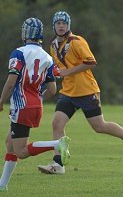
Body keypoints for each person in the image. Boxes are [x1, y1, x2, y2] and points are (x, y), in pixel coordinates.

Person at [37, 11, 123, 175]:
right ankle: (58, 164)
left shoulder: (77, 41)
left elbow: (91, 62)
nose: (61, 26)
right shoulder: (52, 45)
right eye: (58, 23)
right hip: (68, 92)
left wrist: (68, 72)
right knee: (57, 124)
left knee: (99, 126)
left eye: (64, 23)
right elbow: (59, 69)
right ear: (53, 25)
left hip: (87, 91)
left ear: (68, 25)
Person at [0, 18, 71, 191]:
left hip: (22, 106)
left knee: (21, 152)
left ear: (25, 33)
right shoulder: (47, 56)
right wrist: (39, 99)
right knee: (10, 141)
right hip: (35, 106)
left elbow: (11, 82)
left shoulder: (19, 53)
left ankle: (56, 145)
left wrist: (1, 101)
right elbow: (53, 89)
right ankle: (3, 185)